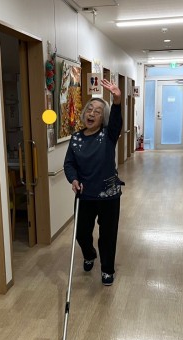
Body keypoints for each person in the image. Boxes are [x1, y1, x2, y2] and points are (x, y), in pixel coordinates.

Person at [63, 79, 123, 286]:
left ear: (103, 118)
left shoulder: (108, 135)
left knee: (107, 235)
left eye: (97, 111)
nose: (91, 113)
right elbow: (69, 163)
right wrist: (73, 179)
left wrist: (116, 100)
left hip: (108, 194)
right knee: (81, 233)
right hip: (85, 194)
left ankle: (107, 269)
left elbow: (116, 121)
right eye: (89, 109)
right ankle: (89, 254)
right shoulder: (76, 138)